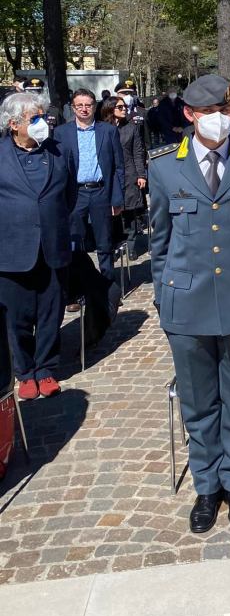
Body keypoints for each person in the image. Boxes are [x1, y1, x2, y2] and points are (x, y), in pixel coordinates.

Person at [149, 74, 230, 533]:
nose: (221, 118)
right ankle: (206, 487)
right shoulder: (165, 167)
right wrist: (164, 297)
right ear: (190, 115)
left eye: (225, 109)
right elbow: (160, 245)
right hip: (186, 303)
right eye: (210, 112)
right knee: (198, 402)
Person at [0, 92, 77, 400]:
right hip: (11, 251)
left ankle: (45, 368)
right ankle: (25, 371)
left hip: (52, 246)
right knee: (15, 317)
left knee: (50, 312)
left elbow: (69, 196)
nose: (43, 122)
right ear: (13, 124)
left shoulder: (59, 151)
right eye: (34, 118)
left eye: (43, 116)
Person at [54, 88, 125, 281]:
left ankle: (107, 284)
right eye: (79, 105)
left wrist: (117, 198)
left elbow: (118, 166)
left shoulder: (108, 131)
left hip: (101, 191)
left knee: (104, 242)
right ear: (73, 108)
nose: (84, 109)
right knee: (75, 242)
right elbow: (57, 168)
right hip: (75, 194)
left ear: (94, 107)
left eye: (88, 105)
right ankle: (79, 285)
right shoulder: (61, 133)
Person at [102, 97, 147, 259]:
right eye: (120, 107)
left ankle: (131, 246)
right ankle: (115, 245)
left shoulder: (130, 127)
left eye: (125, 107)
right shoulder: (102, 128)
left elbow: (138, 152)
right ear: (110, 109)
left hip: (129, 173)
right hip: (110, 175)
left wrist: (141, 175)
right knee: (113, 212)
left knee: (130, 211)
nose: (124, 109)